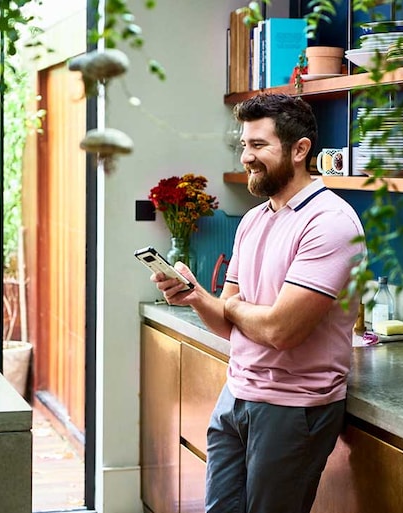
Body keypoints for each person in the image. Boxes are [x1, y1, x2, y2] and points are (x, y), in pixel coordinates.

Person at [152, 93, 365, 513]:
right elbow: (229, 321)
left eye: (259, 145)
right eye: (244, 145)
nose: (247, 157)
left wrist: (232, 308)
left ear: (300, 150)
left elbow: (281, 331)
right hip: (237, 395)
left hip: (293, 408)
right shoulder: (254, 219)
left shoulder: (331, 223)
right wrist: (196, 296)